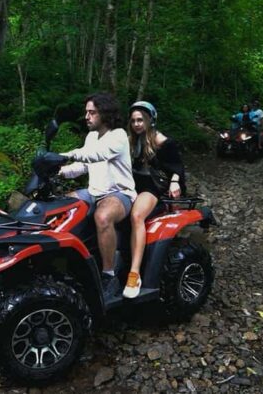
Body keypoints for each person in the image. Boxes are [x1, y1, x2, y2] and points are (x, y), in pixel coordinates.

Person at [58, 93, 137, 301]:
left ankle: (109, 275)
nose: (87, 116)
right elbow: (83, 165)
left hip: (119, 194)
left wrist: (66, 154)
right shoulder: (91, 136)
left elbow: (98, 155)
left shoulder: (118, 135)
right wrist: (59, 170)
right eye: (86, 112)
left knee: (103, 217)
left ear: (105, 113)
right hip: (93, 192)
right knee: (62, 206)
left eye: (92, 112)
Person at [123, 101, 186, 298]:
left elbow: (177, 167)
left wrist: (175, 181)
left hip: (152, 186)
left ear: (150, 120)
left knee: (137, 215)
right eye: (133, 120)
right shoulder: (128, 141)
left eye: (140, 120)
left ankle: (134, 273)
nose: (137, 124)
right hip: (129, 184)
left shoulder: (162, 141)